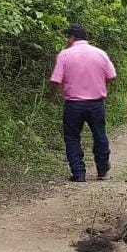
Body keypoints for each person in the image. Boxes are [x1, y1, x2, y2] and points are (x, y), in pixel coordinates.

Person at [49, 23, 117, 182]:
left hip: (73, 104)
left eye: (68, 37)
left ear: (72, 37)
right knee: (99, 134)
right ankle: (102, 169)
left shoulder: (65, 54)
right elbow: (112, 76)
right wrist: (98, 83)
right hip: (96, 103)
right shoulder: (100, 53)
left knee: (72, 137)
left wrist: (51, 97)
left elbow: (55, 80)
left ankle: (78, 173)